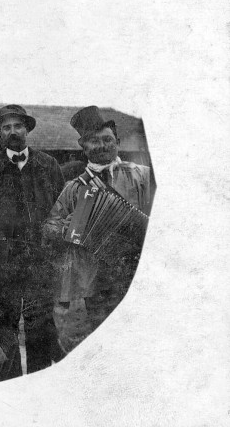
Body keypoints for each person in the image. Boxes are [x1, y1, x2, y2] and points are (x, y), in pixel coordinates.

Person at [0, 104, 65, 381]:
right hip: (3, 261)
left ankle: (38, 383)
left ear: (27, 129)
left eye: (18, 126)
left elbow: (64, 207)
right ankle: (10, 384)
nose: (13, 132)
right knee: (6, 323)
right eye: (6, 127)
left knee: (39, 323)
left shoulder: (48, 165)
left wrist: (55, 240)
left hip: (39, 259)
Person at [43, 105, 153, 344]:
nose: (102, 146)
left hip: (135, 273)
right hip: (93, 280)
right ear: (83, 147)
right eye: (94, 141)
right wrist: (65, 229)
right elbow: (49, 227)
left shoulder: (143, 176)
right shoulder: (75, 187)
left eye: (107, 139)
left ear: (118, 141)